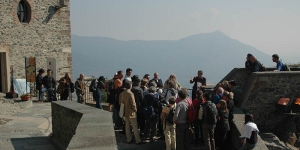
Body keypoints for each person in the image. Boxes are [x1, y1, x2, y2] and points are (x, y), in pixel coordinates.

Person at [119, 80, 142, 144]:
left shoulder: (122, 93)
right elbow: (133, 103)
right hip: (131, 112)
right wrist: (135, 110)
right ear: (130, 86)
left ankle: (129, 139)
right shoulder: (130, 93)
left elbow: (120, 102)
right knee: (135, 127)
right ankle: (138, 140)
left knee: (127, 126)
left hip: (125, 112)